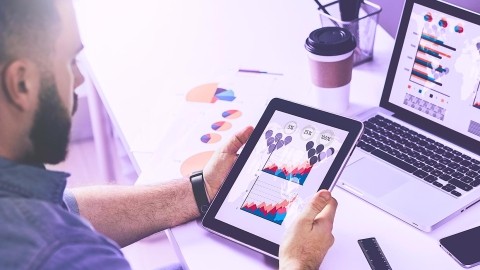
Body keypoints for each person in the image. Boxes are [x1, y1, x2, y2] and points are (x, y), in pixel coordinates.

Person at [0, 0, 338, 269]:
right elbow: (56, 232)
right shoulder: (60, 253)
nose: (78, 80)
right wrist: (299, 261)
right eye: (71, 61)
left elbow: (65, 208)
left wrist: (202, 190)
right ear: (21, 84)